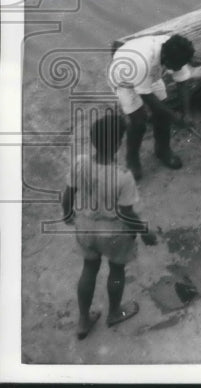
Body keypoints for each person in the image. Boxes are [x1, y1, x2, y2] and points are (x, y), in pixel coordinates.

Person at [61, 112, 156, 338]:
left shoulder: (80, 163)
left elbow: (68, 194)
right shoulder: (123, 176)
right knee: (116, 270)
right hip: (113, 233)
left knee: (89, 269)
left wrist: (67, 214)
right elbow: (127, 213)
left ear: (93, 139)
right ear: (118, 143)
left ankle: (83, 321)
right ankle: (114, 312)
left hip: (85, 227)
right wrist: (144, 232)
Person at [108, 33, 195, 179]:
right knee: (139, 121)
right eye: (177, 65)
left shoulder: (177, 51)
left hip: (151, 74)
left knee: (163, 115)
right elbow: (149, 99)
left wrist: (186, 113)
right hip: (124, 77)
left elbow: (183, 82)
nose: (179, 67)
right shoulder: (142, 62)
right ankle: (132, 159)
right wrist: (176, 118)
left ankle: (163, 150)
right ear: (166, 59)